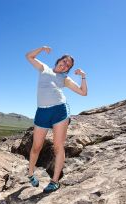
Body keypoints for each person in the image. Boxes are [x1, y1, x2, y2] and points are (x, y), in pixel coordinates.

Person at [26, 46, 87, 193]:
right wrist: (41, 48)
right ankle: (30, 174)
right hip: (42, 112)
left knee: (58, 146)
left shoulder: (65, 79)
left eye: (68, 65)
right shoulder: (44, 68)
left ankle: (54, 181)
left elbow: (83, 92)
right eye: (64, 61)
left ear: (68, 69)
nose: (65, 64)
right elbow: (29, 56)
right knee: (36, 147)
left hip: (59, 111)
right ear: (59, 60)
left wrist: (83, 76)